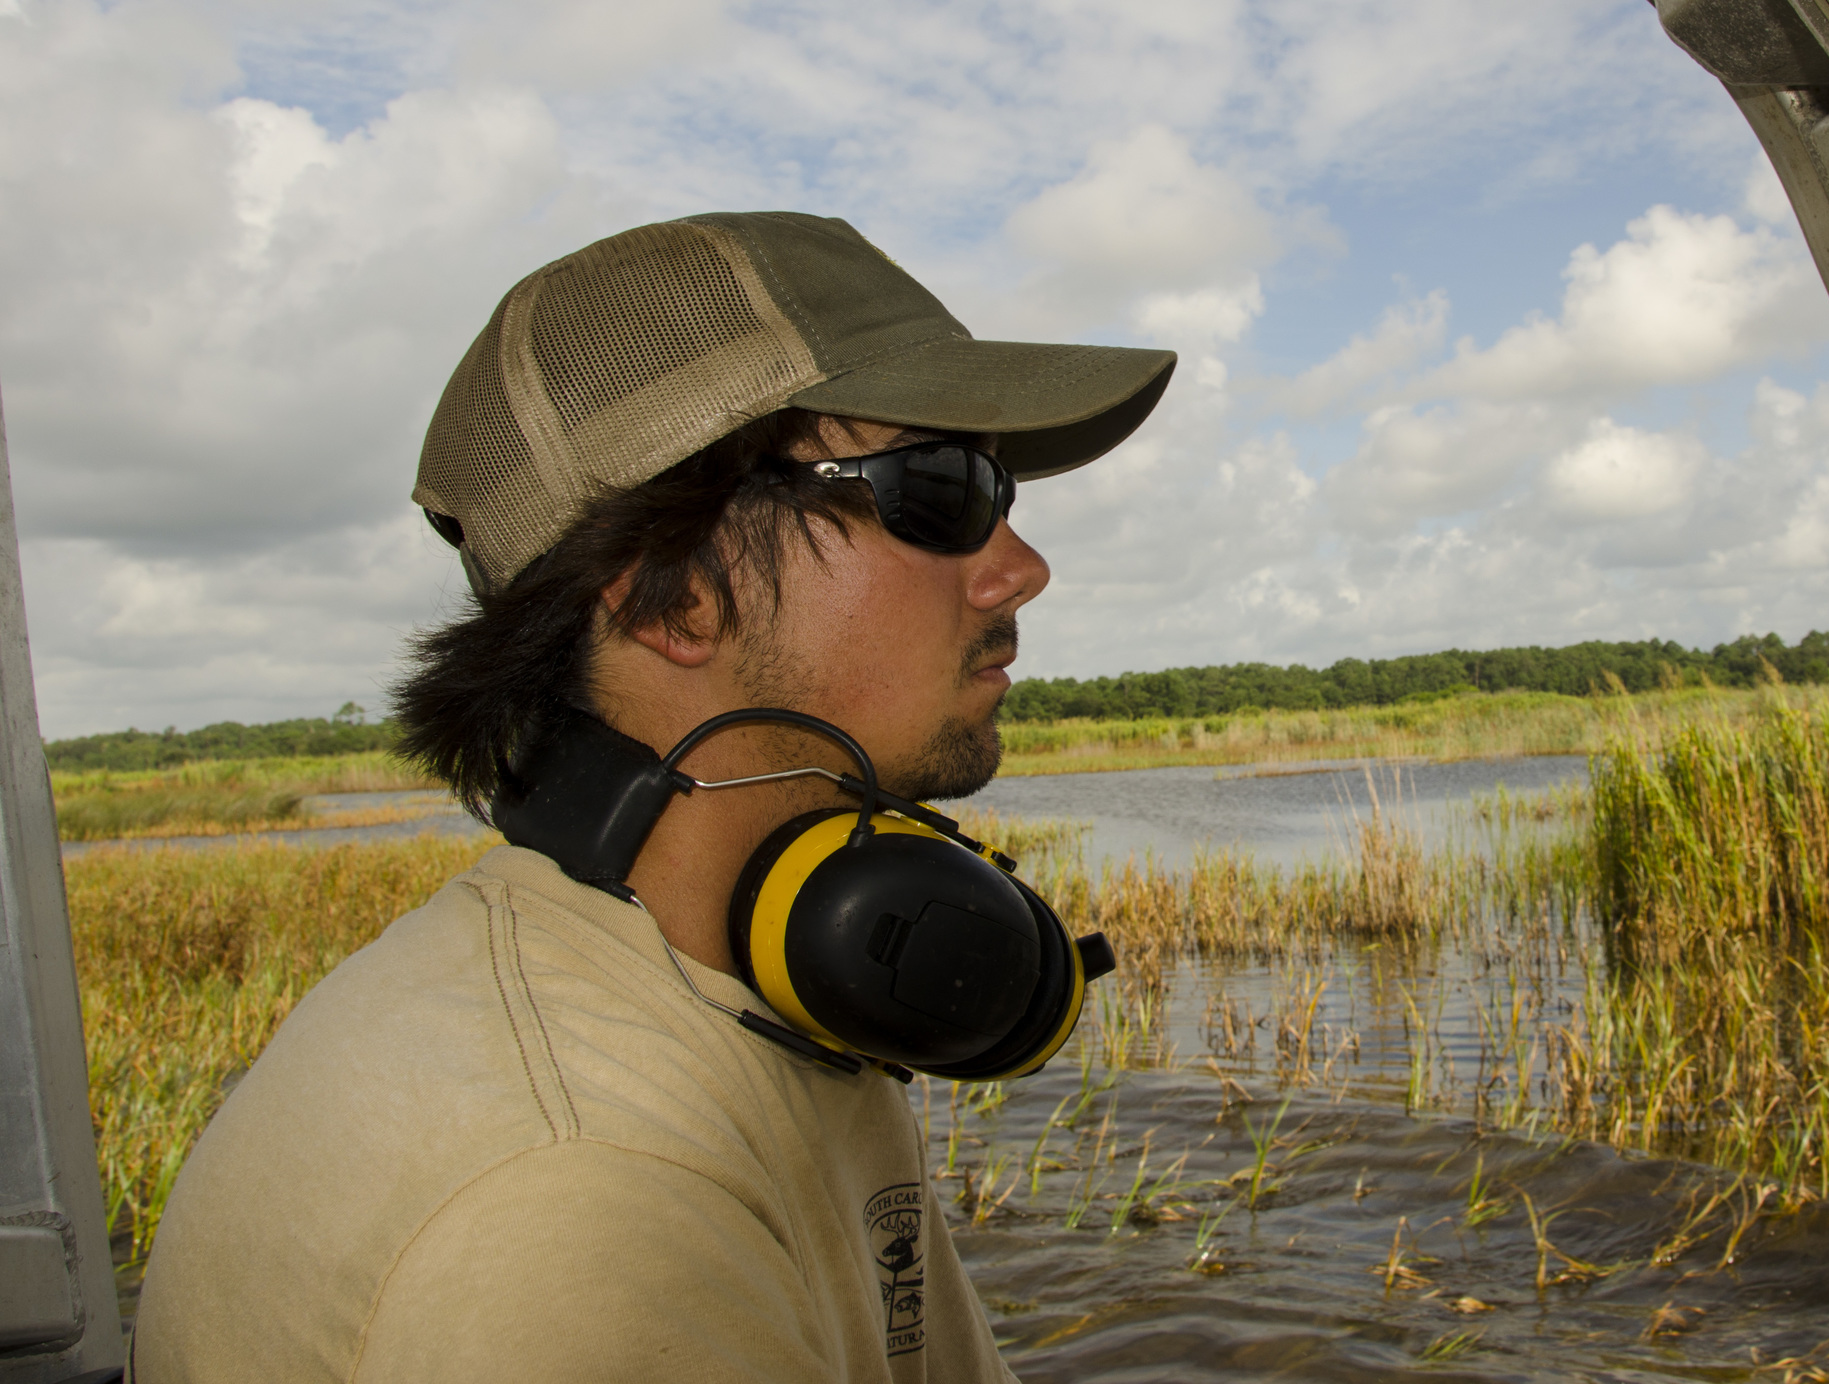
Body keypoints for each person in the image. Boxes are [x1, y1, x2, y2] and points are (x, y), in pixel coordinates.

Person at [133, 212, 1176, 1383]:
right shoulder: (581, 1200)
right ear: (673, 603)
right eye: (939, 488)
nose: (1019, 565)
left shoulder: (738, 989)